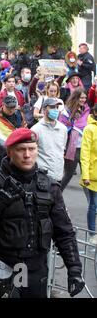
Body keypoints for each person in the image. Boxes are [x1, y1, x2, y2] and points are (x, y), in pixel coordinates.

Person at [0, 128, 85, 298]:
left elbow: (64, 231)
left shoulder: (49, 186)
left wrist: (74, 269)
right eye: (21, 149)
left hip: (36, 271)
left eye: (31, 149)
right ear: (10, 152)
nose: (27, 155)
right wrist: (0, 200)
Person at [59, 88, 90, 191]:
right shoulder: (67, 110)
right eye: (81, 97)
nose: (83, 100)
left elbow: (86, 123)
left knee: (87, 175)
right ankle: (56, 196)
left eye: (85, 97)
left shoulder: (86, 109)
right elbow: (62, 127)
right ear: (76, 97)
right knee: (68, 175)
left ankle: (92, 204)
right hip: (71, 146)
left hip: (84, 146)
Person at [31, 98, 68, 183]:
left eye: (56, 107)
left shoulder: (63, 129)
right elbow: (32, 152)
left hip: (58, 175)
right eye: (51, 107)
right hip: (42, 176)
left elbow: (62, 149)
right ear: (44, 110)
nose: (55, 110)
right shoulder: (36, 130)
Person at [0, 95, 26, 169]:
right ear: (3, 105)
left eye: (13, 107)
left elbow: (23, 129)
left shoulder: (19, 114)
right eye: (9, 108)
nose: (11, 110)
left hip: (16, 152)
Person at [80, 104, 97, 245]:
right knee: (94, 204)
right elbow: (85, 153)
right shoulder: (89, 129)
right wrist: (85, 175)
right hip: (92, 175)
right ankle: (92, 233)